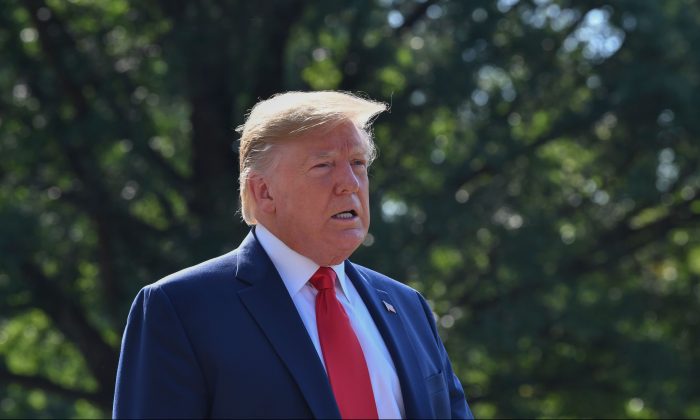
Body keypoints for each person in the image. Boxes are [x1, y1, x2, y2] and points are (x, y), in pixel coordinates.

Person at [113, 91, 473, 419]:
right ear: (264, 191)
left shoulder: (408, 307)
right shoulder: (181, 309)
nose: (349, 182)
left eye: (359, 163)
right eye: (324, 165)